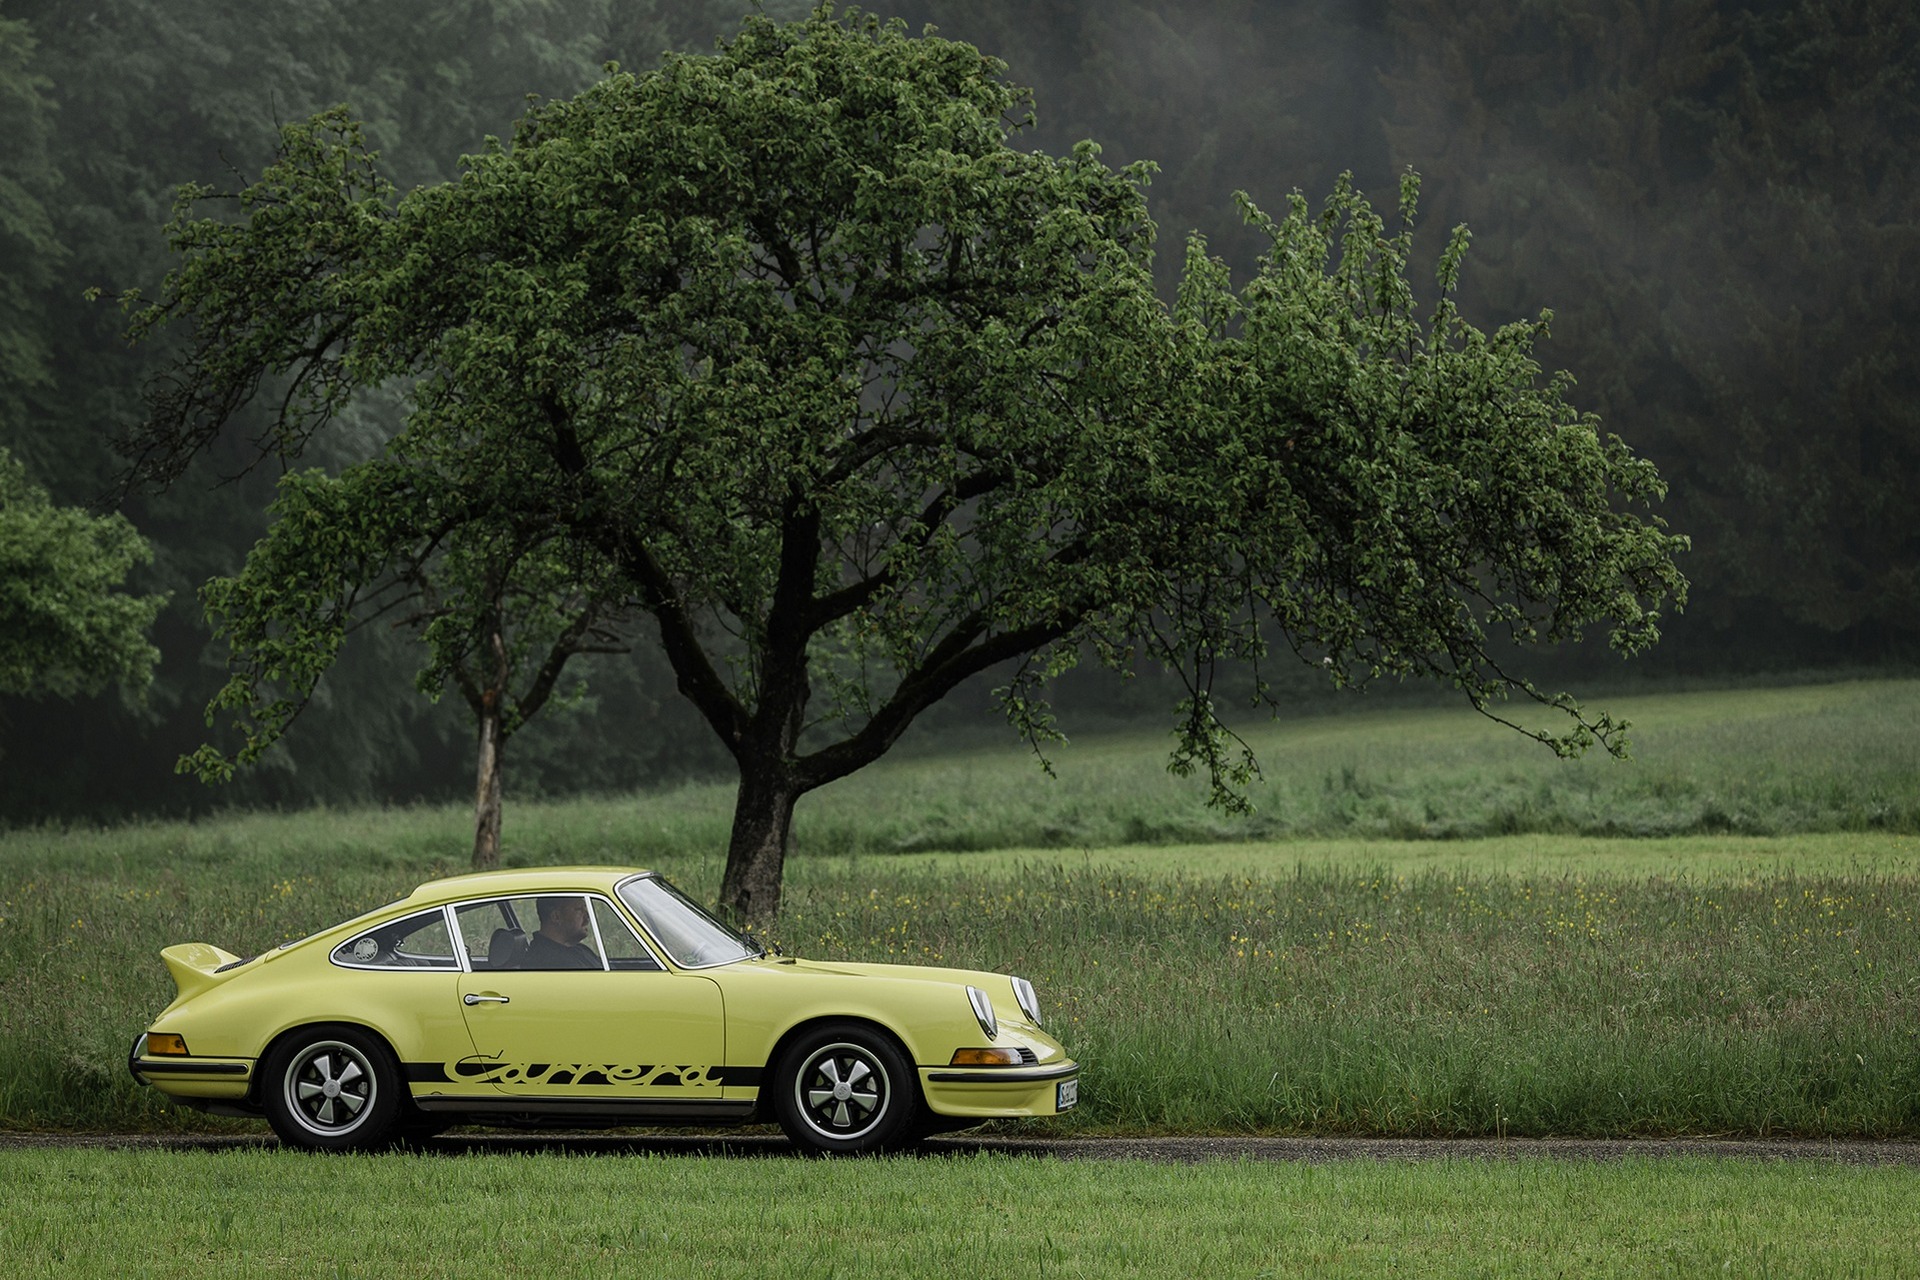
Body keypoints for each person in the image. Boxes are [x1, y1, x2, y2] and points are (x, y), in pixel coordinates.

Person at [521, 896, 601, 970]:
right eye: (579, 909)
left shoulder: (579, 949)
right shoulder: (547, 962)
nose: (587, 916)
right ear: (556, 917)